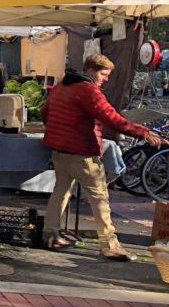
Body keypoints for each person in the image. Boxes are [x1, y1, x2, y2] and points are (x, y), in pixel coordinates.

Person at [41, 54, 163, 260]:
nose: (106, 79)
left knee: (60, 192)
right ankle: (109, 245)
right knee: (100, 198)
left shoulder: (63, 85)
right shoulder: (88, 89)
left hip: (59, 150)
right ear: (91, 71)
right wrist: (143, 132)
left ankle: (49, 234)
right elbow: (111, 117)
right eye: (103, 74)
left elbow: (46, 112)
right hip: (81, 152)